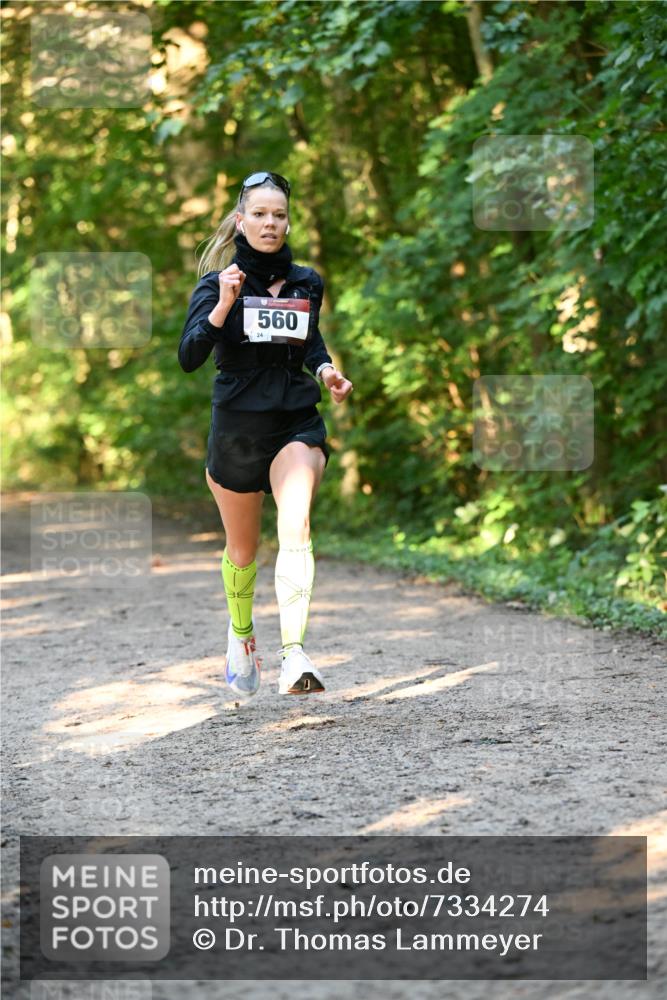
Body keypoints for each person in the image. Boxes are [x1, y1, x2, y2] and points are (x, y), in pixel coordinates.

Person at [178, 170, 353, 698]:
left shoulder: (307, 281)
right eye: (259, 214)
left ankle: (293, 654)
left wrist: (325, 372)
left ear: (288, 221)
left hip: (294, 421)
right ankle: (241, 634)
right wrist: (224, 304)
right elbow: (189, 357)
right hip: (237, 428)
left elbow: (310, 341)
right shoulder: (217, 283)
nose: (270, 223)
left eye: (278, 215)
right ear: (241, 221)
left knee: (295, 522)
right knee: (243, 550)